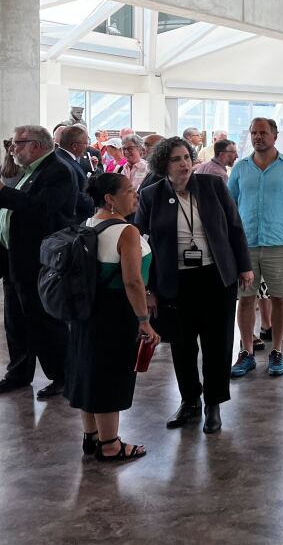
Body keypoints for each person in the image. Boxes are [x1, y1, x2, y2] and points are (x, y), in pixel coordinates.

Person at [137, 137, 252, 433]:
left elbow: (235, 227)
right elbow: (142, 245)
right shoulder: (151, 195)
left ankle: (214, 404)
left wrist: (245, 266)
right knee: (182, 344)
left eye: (186, 157)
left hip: (215, 277)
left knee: (218, 343)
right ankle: (190, 401)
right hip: (174, 281)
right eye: (176, 159)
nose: (184, 163)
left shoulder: (212, 186)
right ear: (164, 164)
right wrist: (148, 289)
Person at [65, 173, 158, 461]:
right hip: (117, 311)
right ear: (110, 198)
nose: (135, 195)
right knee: (111, 375)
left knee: (89, 370)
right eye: (130, 191)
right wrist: (144, 319)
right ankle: (110, 445)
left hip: (88, 309)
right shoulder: (126, 232)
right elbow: (132, 281)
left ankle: (91, 437)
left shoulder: (88, 224)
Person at [0, 125, 77, 397]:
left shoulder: (57, 171)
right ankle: (19, 373)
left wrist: (2, 191)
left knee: (44, 322)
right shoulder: (28, 171)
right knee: (16, 320)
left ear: (37, 145)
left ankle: (63, 375)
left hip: (38, 260)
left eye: (18, 143)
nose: (13, 148)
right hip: (14, 258)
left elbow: (40, 209)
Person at [228, 118, 283, 378]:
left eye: (263, 132)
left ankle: (277, 351)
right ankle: (247, 352)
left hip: (280, 244)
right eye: (254, 132)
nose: (257, 137)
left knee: (278, 298)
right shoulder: (240, 169)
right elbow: (231, 208)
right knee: (246, 299)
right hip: (246, 246)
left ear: (275, 135)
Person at [56, 125, 96, 222]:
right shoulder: (65, 165)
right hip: (71, 221)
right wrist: (94, 203)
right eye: (85, 143)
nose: (87, 147)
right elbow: (74, 195)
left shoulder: (59, 157)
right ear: (74, 146)